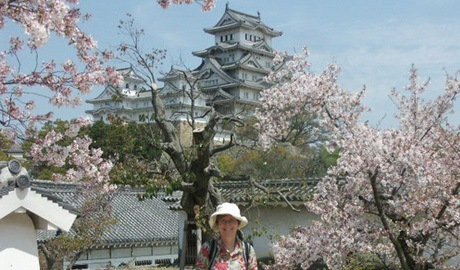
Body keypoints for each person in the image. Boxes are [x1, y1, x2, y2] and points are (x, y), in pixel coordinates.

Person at [195, 202, 258, 270]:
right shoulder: (208, 248)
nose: (227, 224)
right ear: (218, 224)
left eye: (231, 220)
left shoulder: (247, 250)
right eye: (223, 220)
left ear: (238, 224)